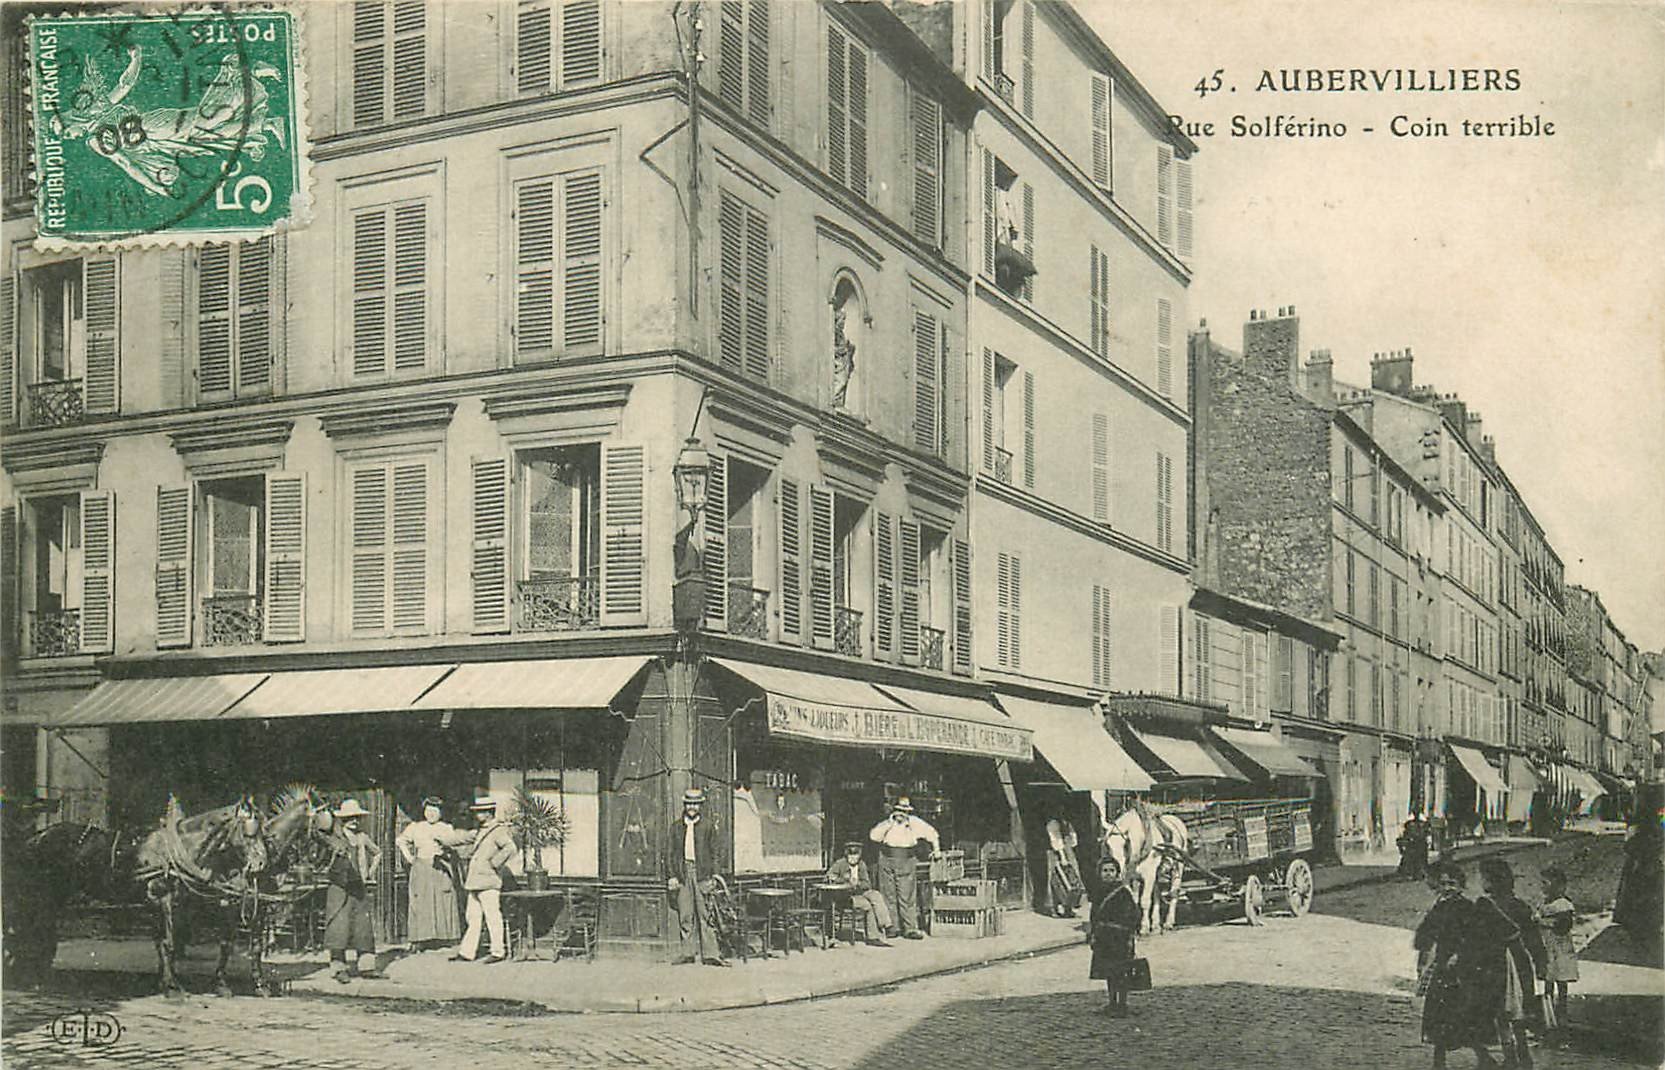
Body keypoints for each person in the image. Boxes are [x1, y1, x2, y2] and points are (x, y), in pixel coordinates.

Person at [1413, 860, 1496, 1070]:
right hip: (1442, 967)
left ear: (1461, 886)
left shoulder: (1468, 907)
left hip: (1463, 970)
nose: (1448, 888)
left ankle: (1484, 1057)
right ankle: (1438, 1063)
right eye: (1444, 884)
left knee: (1464, 1015)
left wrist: (1460, 955)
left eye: (1453, 883)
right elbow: (1425, 933)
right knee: (1439, 1015)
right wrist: (1423, 954)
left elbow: (1475, 937)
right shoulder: (1439, 908)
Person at [1476, 857, 1543, 1068]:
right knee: (1518, 1011)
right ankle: (1523, 1055)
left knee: (1500, 1011)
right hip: (1520, 961)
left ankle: (1510, 1058)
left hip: (1496, 964)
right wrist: (1541, 962)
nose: (1480, 881)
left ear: (1490, 881)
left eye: (1483, 877)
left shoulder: (1485, 906)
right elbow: (1533, 939)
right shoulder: (1520, 906)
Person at [447, 796, 515, 964]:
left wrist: (494, 863)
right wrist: (441, 840)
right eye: (477, 812)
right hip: (476, 881)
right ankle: (467, 952)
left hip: (488, 881)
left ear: (489, 813)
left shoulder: (498, 830)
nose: (477, 815)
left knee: (492, 916)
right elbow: (461, 839)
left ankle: (498, 951)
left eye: (480, 812)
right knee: (473, 917)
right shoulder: (481, 830)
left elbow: (510, 847)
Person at [321, 799, 380, 984]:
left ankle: (366, 966)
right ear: (342, 820)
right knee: (339, 924)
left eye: (356, 818)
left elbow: (378, 852)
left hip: (358, 887)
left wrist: (370, 872)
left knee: (362, 925)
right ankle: (338, 967)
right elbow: (323, 860)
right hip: (339, 887)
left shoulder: (362, 837)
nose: (354, 821)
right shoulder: (335, 838)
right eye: (350, 818)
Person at [666, 787, 727, 965]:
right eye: (689, 803)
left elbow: (716, 852)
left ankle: (711, 955)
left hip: (702, 874)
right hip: (683, 873)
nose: (692, 807)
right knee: (685, 914)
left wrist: (713, 876)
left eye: (695, 804)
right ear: (685, 804)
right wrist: (672, 876)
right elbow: (669, 853)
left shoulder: (708, 826)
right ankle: (688, 953)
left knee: (706, 914)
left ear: (700, 805)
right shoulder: (676, 827)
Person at [868, 797, 941, 940]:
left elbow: (932, 833)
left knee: (906, 895)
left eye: (904, 811)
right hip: (886, 858)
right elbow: (873, 836)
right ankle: (892, 927)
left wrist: (936, 850)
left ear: (909, 811)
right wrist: (889, 823)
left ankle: (910, 928)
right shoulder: (887, 823)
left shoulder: (914, 822)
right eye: (898, 811)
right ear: (894, 810)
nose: (901, 814)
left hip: (906, 859)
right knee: (888, 894)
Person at [396, 796, 463, 950]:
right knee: (421, 902)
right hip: (421, 867)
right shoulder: (416, 827)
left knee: (443, 900)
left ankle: (445, 938)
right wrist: (410, 858)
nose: (431, 814)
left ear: (440, 812)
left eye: (435, 810)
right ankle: (420, 939)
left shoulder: (446, 828)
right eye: (428, 810)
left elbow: (455, 846)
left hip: (441, 867)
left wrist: (445, 853)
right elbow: (401, 841)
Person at [1088, 857, 1142, 1017]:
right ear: (1100, 873)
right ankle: (1112, 1003)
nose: (1108, 874)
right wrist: (1093, 934)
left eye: (1111, 871)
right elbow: (1094, 915)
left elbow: (1132, 915)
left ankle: (1122, 1004)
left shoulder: (1123, 892)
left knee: (1121, 972)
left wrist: (1127, 933)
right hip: (1104, 939)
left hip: (1119, 939)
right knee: (1108, 972)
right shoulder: (1098, 892)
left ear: (1117, 873)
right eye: (1105, 871)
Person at [1537, 866, 1578, 1046]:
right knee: (1547, 988)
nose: (1543, 887)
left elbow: (1563, 926)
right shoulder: (1546, 903)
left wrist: (1542, 922)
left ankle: (1561, 1027)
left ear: (1558, 885)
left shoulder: (1563, 905)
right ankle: (1550, 1025)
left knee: (1560, 989)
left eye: (1546, 883)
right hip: (1549, 950)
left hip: (1560, 951)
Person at [825, 841, 893, 947]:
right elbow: (828, 876)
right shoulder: (840, 864)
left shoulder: (861, 865)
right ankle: (873, 937)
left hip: (861, 892)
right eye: (851, 855)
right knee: (868, 906)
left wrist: (858, 883)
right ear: (846, 855)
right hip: (846, 895)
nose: (853, 858)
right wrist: (843, 880)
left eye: (856, 855)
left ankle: (886, 924)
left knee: (876, 895)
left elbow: (867, 883)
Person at [1043, 816, 1085, 917]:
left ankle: (1068, 907)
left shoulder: (1066, 823)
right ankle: (1055, 907)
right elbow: (1055, 840)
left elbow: (1073, 842)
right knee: (1058, 880)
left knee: (1072, 880)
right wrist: (1062, 857)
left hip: (1068, 851)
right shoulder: (1053, 823)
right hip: (1057, 853)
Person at [1399, 812, 1431, 881]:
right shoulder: (1419, 825)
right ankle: (1416, 874)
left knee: (1416, 859)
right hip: (1416, 844)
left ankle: (1415, 874)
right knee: (1417, 860)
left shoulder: (1414, 826)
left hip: (1416, 844)